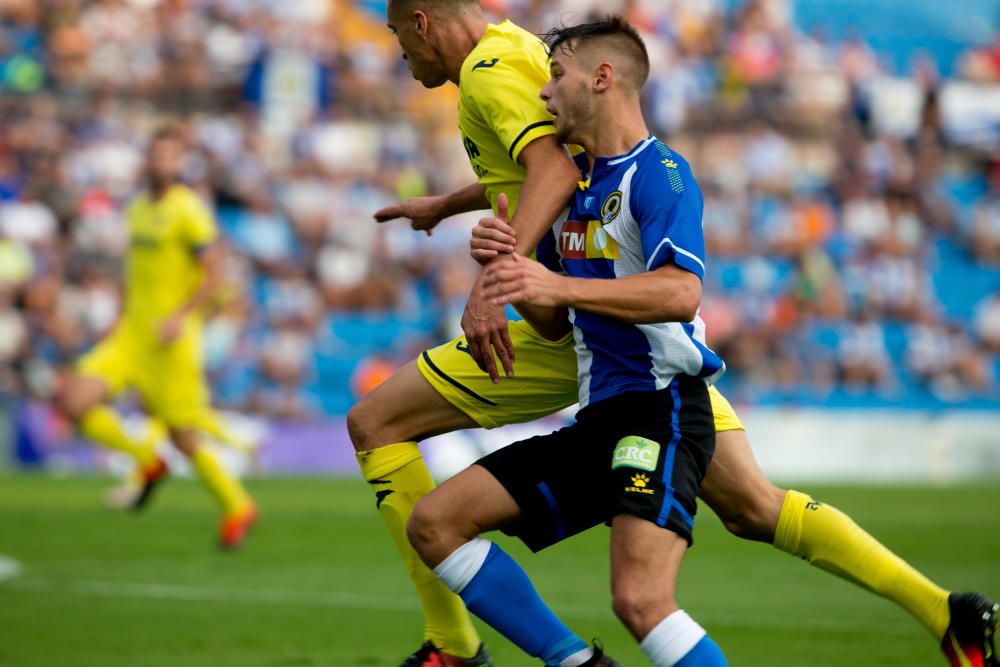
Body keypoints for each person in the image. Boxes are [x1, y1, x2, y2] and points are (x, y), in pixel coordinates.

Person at [358, 2, 998, 666]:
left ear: (421, 20)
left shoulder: (508, 83)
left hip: (630, 370)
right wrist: (464, 214)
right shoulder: (521, 57)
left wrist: (505, 278)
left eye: (396, 27)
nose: (548, 92)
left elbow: (554, 171)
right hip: (613, 367)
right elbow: (549, 164)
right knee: (753, 507)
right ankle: (943, 609)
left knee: (377, 424)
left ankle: (455, 645)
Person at [408, 18, 727, 666]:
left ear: (602, 79)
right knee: (434, 523)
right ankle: (576, 663)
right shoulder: (576, 190)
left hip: (661, 410)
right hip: (599, 418)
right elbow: (553, 321)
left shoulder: (658, 174)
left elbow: (680, 294)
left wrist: (555, 283)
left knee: (640, 599)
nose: (545, 94)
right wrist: (511, 260)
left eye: (556, 77)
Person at [57, 127, 258, 550]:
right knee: (74, 401)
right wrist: (118, 317)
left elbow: (215, 271)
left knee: (182, 435)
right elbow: (136, 273)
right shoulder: (137, 209)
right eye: (157, 156)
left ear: (180, 164)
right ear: (147, 161)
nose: (162, 164)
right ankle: (147, 462)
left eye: (171, 157)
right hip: (131, 334)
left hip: (172, 342)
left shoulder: (189, 211)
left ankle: (237, 505)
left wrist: (180, 317)